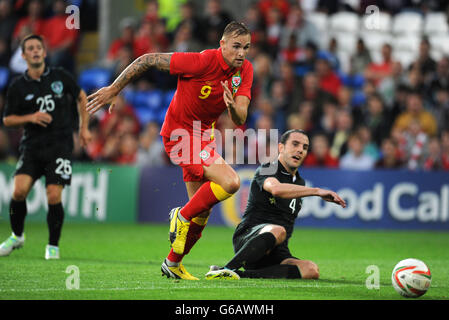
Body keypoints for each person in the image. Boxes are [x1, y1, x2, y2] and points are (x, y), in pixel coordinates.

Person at [86, 21, 253, 280]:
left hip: (204, 137)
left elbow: (241, 118)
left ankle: (172, 264)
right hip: (178, 136)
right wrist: (114, 89)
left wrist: (231, 107)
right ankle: (180, 215)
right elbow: (148, 59)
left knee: (203, 212)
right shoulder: (201, 62)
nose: (241, 53)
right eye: (236, 47)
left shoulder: (245, 71)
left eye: (246, 47)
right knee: (230, 182)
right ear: (222, 45)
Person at [205, 129, 346, 280]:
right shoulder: (268, 169)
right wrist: (317, 191)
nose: (300, 150)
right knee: (279, 230)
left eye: (304, 148)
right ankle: (227, 268)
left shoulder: (299, 183)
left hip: (278, 249)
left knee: (311, 270)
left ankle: (241, 275)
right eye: (295, 144)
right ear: (281, 147)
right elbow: (276, 189)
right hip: (250, 238)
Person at [0, 35, 92, 259]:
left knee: (53, 195)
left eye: (38, 47)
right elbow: (7, 120)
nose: (35, 51)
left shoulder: (60, 76)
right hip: (32, 147)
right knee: (19, 191)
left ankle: (53, 246)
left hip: (60, 146)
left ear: (44, 52)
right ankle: (17, 235)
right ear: (23, 55)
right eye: (30, 48)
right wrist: (31, 117)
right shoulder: (18, 86)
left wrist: (84, 128)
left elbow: (81, 97)